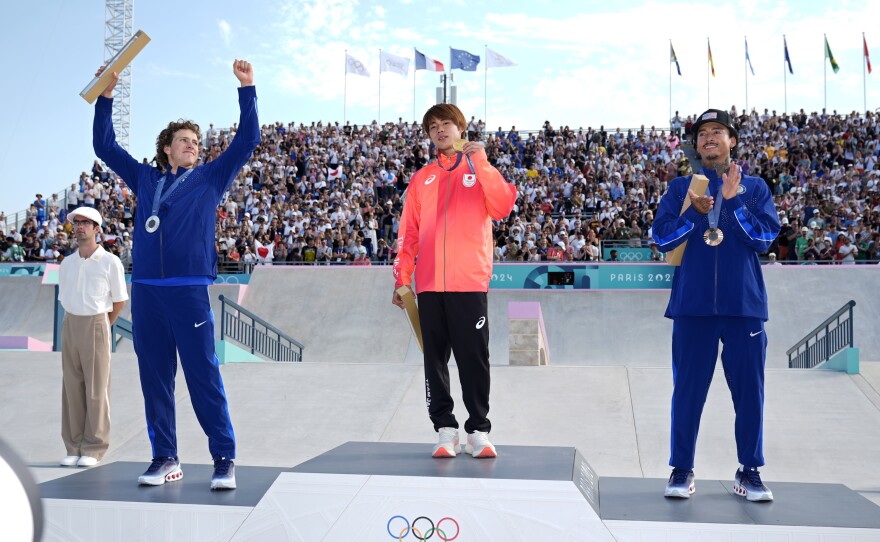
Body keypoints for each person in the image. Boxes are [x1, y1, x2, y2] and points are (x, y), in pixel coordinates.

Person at [93, 59, 260, 489]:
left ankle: (224, 458)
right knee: (155, 378)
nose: (192, 146)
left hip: (188, 289)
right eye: (184, 140)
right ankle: (165, 457)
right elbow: (105, 147)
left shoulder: (209, 177)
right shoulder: (146, 179)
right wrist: (105, 97)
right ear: (166, 147)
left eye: (196, 141)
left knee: (203, 374)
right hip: (146, 289)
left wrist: (247, 89)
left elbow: (248, 140)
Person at [652, 109, 780, 502]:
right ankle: (682, 469)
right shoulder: (680, 188)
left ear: (732, 141)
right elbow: (661, 237)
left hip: (744, 307)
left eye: (718, 131)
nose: (709, 137)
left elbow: (764, 240)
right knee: (687, 391)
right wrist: (695, 212)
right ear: (696, 145)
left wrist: (732, 204)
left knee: (749, 393)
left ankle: (749, 471)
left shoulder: (755, 188)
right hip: (692, 307)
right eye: (703, 133)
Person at [392, 103, 516, 459]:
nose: (440, 130)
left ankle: (478, 429)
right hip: (430, 285)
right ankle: (445, 429)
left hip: (469, 282)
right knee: (435, 360)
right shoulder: (421, 178)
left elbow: (503, 206)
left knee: (473, 358)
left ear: (461, 128)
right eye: (433, 126)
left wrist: (483, 164)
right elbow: (408, 233)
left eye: (446, 123)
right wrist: (403, 279)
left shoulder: (479, 168)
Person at [57, 207, 128, 468]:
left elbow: (119, 300)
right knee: (72, 388)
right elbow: (64, 297)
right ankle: (73, 445)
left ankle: (94, 447)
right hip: (71, 323)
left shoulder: (110, 262)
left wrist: (103, 325)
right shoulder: (67, 263)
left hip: (97, 322)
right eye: (76, 223)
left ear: (97, 228)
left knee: (97, 389)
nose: (79, 227)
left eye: (86, 223)